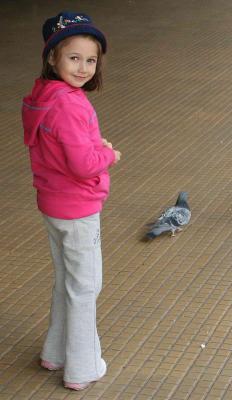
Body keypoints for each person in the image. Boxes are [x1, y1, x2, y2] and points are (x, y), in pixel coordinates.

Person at [22, 11, 121, 391]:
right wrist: (108, 156)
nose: (83, 67)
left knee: (67, 279)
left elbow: (59, 147)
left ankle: (56, 352)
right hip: (78, 208)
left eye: (91, 60)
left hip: (53, 204)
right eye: (73, 57)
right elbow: (82, 164)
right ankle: (82, 367)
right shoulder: (71, 103)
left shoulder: (42, 96)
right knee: (86, 286)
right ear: (52, 57)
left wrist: (94, 147)